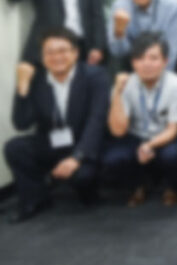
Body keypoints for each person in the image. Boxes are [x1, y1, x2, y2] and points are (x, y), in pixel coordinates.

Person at [5, 28, 110, 223]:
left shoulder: (95, 76)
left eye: (62, 51)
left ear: (75, 53)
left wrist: (77, 157)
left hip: (84, 143)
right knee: (15, 147)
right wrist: (22, 87)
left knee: (83, 177)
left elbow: (96, 120)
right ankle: (36, 199)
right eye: (49, 52)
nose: (56, 57)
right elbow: (21, 123)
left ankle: (89, 192)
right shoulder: (37, 79)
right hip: (54, 142)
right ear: (42, 56)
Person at [103, 32, 177, 206]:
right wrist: (117, 93)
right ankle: (137, 186)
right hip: (137, 135)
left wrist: (149, 145)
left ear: (165, 61)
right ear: (132, 62)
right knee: (113, 158)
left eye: (153, 58)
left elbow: (173, 129)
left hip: (170, 135)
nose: (146, 64)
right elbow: (118, 130)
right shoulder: (124, 84)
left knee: (173, 155)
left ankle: (172, 188)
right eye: (140, 58)